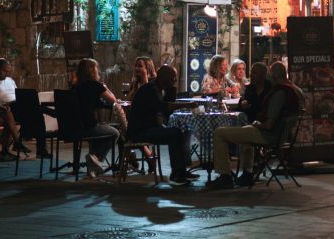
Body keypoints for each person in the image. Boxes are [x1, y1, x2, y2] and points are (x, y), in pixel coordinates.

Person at [207, 61, 301, 189]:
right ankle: (247, 174)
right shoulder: (291, 90)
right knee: (246, 133)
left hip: (268, 135)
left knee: (219, 133)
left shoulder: (278, 93)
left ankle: (225, 176)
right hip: (278, 135)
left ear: (271, 75)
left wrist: (257, 124)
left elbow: (268, 124)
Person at [127, 63, 194, 185]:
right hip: (141, 132)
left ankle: (181, 171)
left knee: (178, 131)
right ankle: (177, 174)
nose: (174, 80)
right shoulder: (151, 90)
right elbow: (165, 108)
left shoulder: (156, 88)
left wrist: (171, 88)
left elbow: (167, 105)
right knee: (175, 133)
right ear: (164, 77)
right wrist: (188, 104)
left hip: (149, 128)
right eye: (173, 77)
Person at [71, 58, 120, 177]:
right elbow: (113, 100)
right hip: (88, 127)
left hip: (74, 127)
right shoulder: (96, 85)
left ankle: (91, 169)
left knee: (98, 135)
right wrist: (105, 86)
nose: (98, 71)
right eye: (96, 68)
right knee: (115, 133)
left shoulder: (75, 87)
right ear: (92, 71)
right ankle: (96, 157)